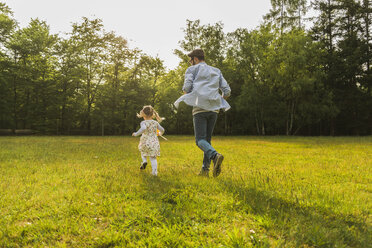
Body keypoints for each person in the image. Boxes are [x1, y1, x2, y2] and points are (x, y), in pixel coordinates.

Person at [174, 48, 231, 177]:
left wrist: (187, 94)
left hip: (200, 107)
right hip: (214, 109)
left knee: (200, 140)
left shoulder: (192, 70)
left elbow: (187, 88)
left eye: (191, 60)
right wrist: (219, 100)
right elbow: (227, 91)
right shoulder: (216, 71)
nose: (190, 63)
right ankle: (205, 170)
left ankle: (215, 156)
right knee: (207, 141)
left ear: (195, 59)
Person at [132, 105, 165, 176]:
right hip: (154, 142)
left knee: (142, 152)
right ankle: (154, 172)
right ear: (152, 114)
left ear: (143, 114)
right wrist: (159, 133)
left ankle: (144, 161)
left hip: (145, 141)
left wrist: (136, 133)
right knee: (153, 158)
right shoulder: (155, 123)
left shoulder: (143, 122)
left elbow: (143, 129)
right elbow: (162, 129)